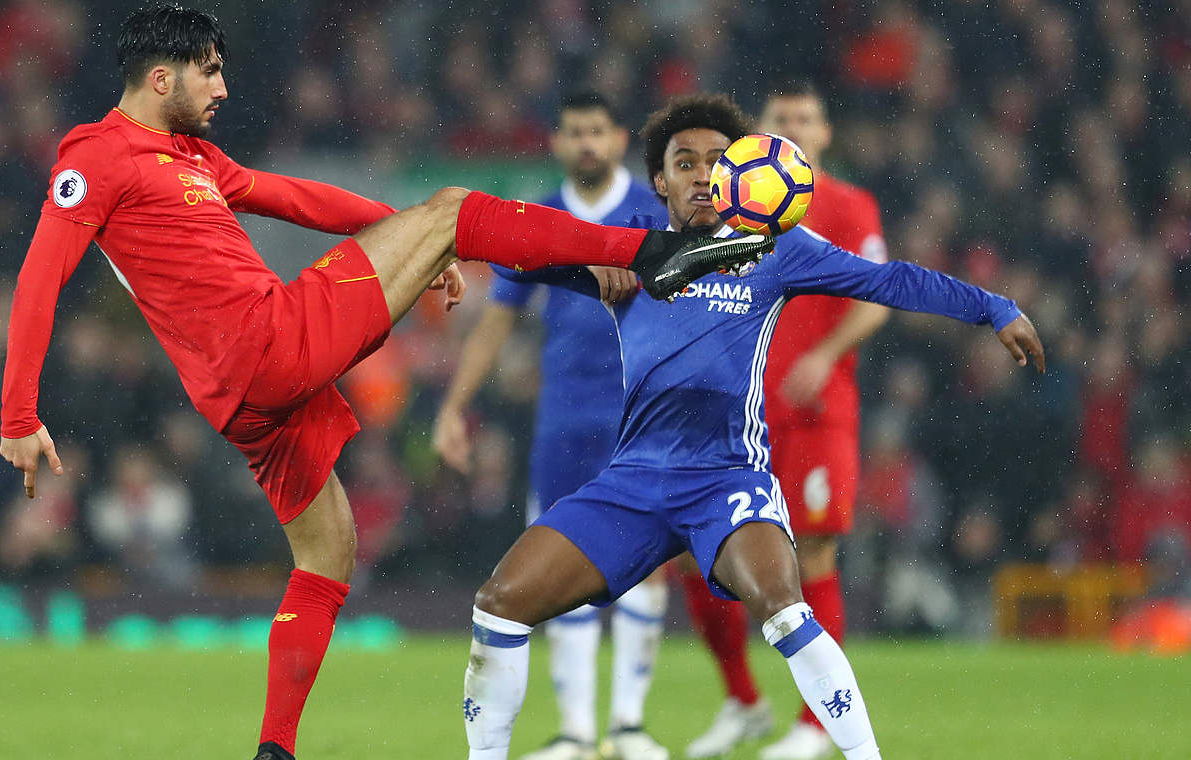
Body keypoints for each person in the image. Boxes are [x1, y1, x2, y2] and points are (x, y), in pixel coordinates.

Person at [0, 8, 773, 760]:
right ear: (161, 78)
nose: (224, 89)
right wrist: (19, 413)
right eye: (211, 73)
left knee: (328, 554)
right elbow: (40, 275)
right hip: (270, 342)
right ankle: (647, 254)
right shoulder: (92, 158)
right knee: (459, 208)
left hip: (245, 398)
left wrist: (406, 232)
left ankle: (275, 749)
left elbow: (294, 198)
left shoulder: (192, 159)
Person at [460, 92, 1045, 760]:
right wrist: (449, 258)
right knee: (497, 603)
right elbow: (518, 246)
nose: (703, 174)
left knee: (783, 605)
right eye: (686, 162)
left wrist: (991, 306)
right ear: (660, 181)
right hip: (633, 484)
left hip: (725, 480)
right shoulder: (630, 252)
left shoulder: (776, 248)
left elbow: (888, 281)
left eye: (718, 160)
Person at [435, 91, 669, 760]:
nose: (587, 142)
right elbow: (499, 317)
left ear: (618, 136)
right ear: (559, 142)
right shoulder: (538, 215)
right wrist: (456, 405)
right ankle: (575, 731)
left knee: (646, 564)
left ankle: (626, 724)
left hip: (639, 413)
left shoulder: (652, 214)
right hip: (563, 418)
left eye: (598, 130)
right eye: (575, 132)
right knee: (559, 563)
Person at [681, 81, 890, 760]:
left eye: (806, 117)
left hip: (815, 414)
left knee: (814, 554)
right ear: (758, 134)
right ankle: (743, 699)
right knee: (690, 553)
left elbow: (879, 298)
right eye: (782, 119)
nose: (795, 128)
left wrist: (825, 354)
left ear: (825, 133)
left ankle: (813, 724)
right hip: (735, 414)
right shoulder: (734, 212)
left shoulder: (850, 206)